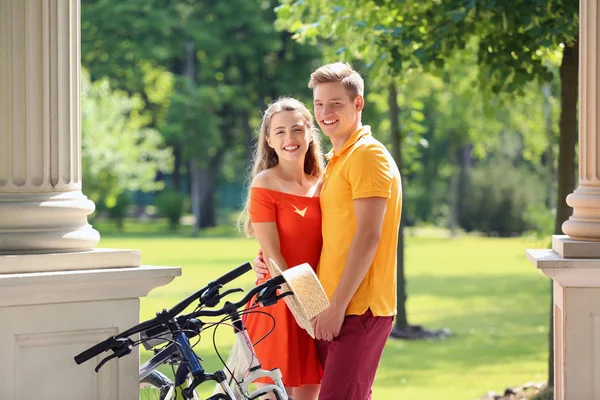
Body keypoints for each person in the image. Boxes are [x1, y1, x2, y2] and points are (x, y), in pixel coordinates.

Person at [253, 62, 402, 400]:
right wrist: (266, 258)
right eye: (319, 104)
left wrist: (336, 308)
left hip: (356, 308)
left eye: (336, 103)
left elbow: (368, 236)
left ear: (358, 103)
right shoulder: (337, 161)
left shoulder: (367, 155)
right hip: (325, 307)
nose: (326, 112)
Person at [239, 96, 325, 400]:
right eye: (280, 132)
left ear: (310, 133)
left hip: (318, 303)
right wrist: (308, 305)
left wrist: (319, 306)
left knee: (310, 394)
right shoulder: (265, 184)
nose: (290, 138)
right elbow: (274, 256)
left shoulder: (324, 184)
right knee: (273, 394)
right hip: (278, 303)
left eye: (297, 129)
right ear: (269, 140)